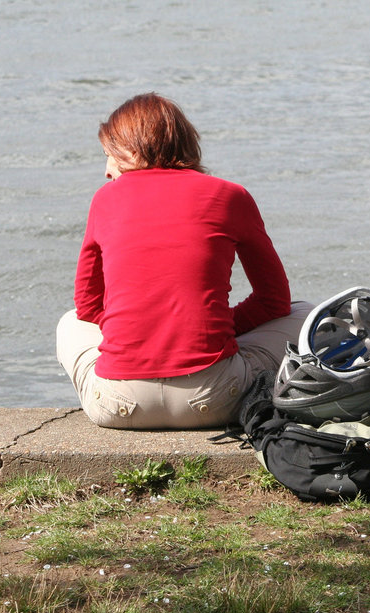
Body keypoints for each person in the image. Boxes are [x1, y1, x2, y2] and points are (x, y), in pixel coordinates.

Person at [57, 93, 311, 429]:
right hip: (216, 398)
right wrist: (207, 329)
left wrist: (142, 334)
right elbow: (274, 301)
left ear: (133, 150)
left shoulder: (104, 200)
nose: (106, 171)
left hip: (118, 405)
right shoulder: (230, 195)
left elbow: (88, 307)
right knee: (304, 313)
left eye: (109, 156)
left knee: (70, 321)